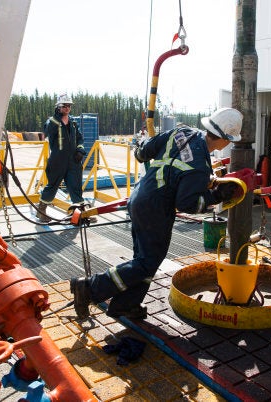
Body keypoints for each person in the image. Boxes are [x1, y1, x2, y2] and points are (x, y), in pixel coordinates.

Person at [70, 107, 244, 319]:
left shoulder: (181, 132)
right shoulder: (199, 165)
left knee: (144, 259)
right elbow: (188, 203)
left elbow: (143, 152)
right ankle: (90, 288)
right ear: (226, 139)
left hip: (139, 198)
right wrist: (217, 196)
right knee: (146, 262)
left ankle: (126, 304)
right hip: (156, 209)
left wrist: (145, 152)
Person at [36, 94, 87, 223]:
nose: (67, 108)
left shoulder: (73, 123)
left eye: (69, 106)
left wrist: (80, 150)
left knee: (75, 187)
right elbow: (45, 132)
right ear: (58, 107)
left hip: (73, 161)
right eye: (64, 106)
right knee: (52, 186)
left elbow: (80, 138)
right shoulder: (52, 122)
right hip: (58, 161)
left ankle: (81, 213)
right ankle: (41, 211)